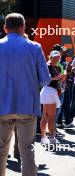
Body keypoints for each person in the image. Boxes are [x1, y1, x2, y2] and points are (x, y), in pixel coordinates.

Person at [0, 13, 50, 176]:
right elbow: (45, 79)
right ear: (23, 28)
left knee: (1, 151)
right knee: (27, 151)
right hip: (27, 106)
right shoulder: (34, 47)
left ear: (5, 28)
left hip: (2, 107)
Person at [40, 50, 66, 145]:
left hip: (52, 91)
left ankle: (44, 138)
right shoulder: (47, 66)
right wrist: (56, 78)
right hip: (48, 91)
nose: (57, 58)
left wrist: (62, 79)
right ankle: (51, 138)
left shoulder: (57, 67)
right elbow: (44, 79)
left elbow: (58, 81)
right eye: (55, 57)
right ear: (50, 57)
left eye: (58, 57)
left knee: (46, 116)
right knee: (50, 117)